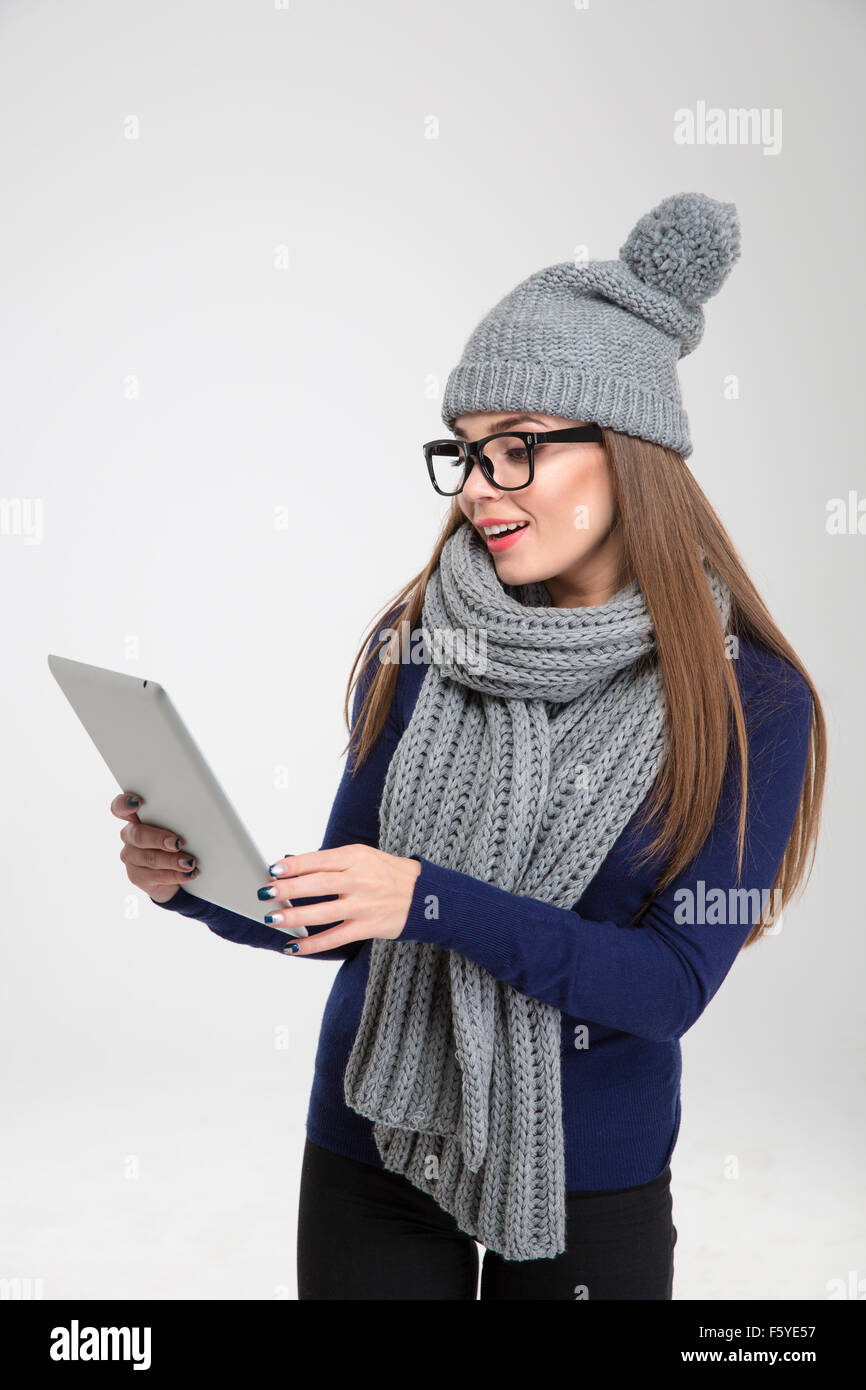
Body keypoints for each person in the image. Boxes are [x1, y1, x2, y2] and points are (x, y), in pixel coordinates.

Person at [112, 191, 826, 1300]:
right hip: (372, 1140)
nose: (480, 490)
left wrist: (430, 901)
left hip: (589, 1172)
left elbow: (668, 984)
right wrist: (195, 883)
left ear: (626, 450)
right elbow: (352, 907)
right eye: (465, 453)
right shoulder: (425, 638)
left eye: (516, 451)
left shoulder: (751, 701)